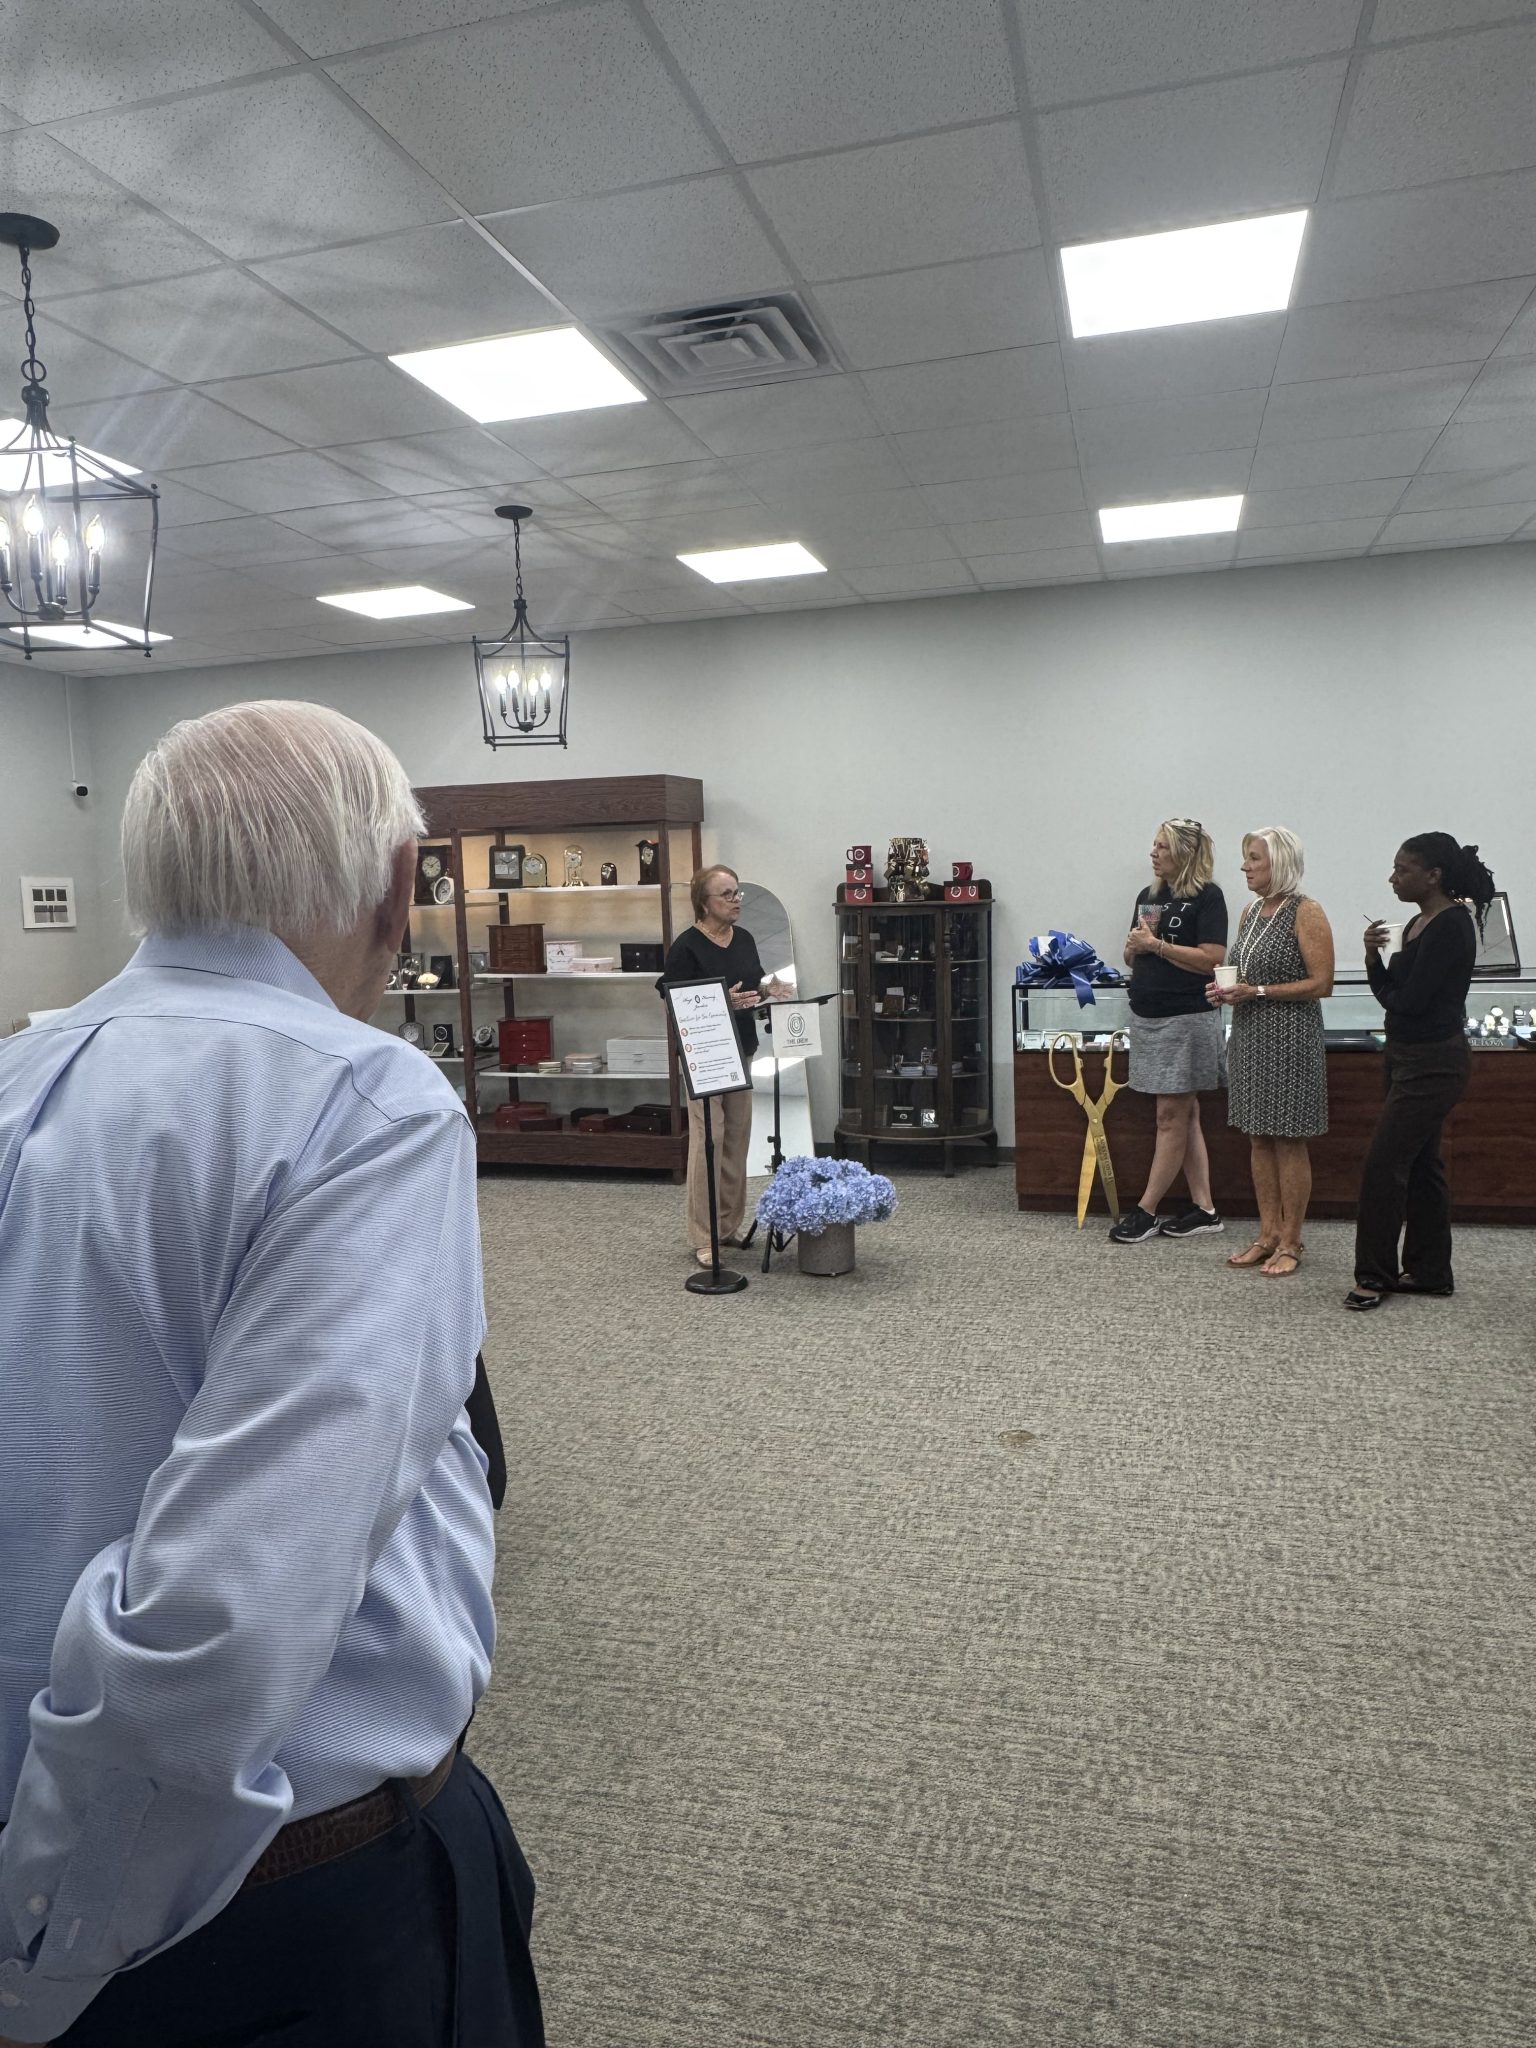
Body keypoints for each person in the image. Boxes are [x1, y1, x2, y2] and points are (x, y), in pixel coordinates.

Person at [0, 702, 543, 2048]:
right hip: (276, 1903)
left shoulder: (17, 1076)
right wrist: (39, 1956)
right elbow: (224, 1615)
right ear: (399, 886)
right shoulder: (367, 1103)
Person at [1345, 833, 1496, 1312]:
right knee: (1422, 1164)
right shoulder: (1416, 923)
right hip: (1406, 1055)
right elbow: (1394, 991)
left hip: (1434, 1062)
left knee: (1383, 1165)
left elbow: (1406, 1001)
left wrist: (1389, 992)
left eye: (1402, 869)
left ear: (1433, 876)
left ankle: (1374, 1275)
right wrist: (1372, 958)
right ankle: (1431, 1272)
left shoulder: (1452, 925)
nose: (1392, 878)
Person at [1207, 828, 1335, 1277]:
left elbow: (1322, 983)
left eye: (1254, 858)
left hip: (1291, 1039)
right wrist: (1226, 992)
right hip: (1250, 1037)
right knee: (1258, 1137)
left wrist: (1258, 991)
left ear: (1278, 862)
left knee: (1288, 1138)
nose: (1244, 866)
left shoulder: (1306, 910)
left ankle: (1291, 1240)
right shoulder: (1250, 912)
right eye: (1246, 858)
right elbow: (1243, 974)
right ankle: (1267, 1235)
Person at [660, 866, 789, 1265]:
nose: (736, 901)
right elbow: (673, 997)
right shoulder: (686, 947)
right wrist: (720, 1001)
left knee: (736, 1137)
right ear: (704, 903)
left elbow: (750, 985)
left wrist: (768, 990)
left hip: (741, 1049)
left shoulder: (744, 939)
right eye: (727, 894)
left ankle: (727, 1227)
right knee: (709, 1139)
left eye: (737, 893)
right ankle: (704, 1236)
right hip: (703, 1055)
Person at [1111, 817, 1229, 1244]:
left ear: (1184, 852)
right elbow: (1134, 956)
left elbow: (1212, 959)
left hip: (1187, 1019)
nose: (1153, 853)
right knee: (1185, 1114)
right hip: (1148, 1018)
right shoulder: (1149, 896)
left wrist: (1156, 946)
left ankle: (1146, 1209)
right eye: (1155, 845)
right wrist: (1134, 948)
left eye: (1162, 846)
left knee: (1170, 1116)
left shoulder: (1208, 897)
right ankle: (1205, 1209)